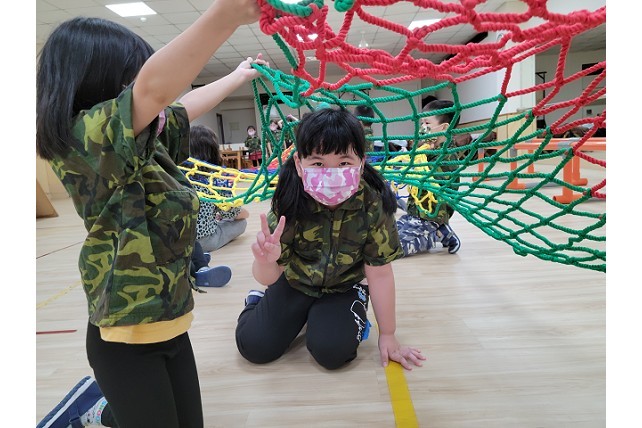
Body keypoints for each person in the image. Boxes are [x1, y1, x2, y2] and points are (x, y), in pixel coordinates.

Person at [35, 1, 264, 426]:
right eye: (130, 79)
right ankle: (99, 412)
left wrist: (238, 75)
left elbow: (183, 108)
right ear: (98, 84)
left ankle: (108, 412)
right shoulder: (85, 142)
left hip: (170, 321)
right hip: (125, 336)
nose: (139, 88)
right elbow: (154, 91)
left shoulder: (144, 144)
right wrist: (227, 14)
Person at [235, 108, 426, 371]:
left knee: (332, 352)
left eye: (344, 163)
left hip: (344, 287)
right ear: (300, 165)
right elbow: (269, 276)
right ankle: (256, 301)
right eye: (318, 163)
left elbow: (380, 273)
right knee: (254, 346)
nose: (331, 173)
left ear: (361, 163)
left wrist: (388, 334)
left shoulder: (372, 202)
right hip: (296, 282)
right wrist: (266, 261)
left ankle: (334, 313)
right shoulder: (290, 200)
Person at [396, 99, 462, 257]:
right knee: (385, 235)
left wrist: (416, 164)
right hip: (415, 214)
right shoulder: (427, 150)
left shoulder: (448, 157)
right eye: (422, 123)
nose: (423, 128)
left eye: (427, 123)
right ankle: (441, 232)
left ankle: (438, 231)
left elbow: (434, 184)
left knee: (392, 249)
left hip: (431, 217)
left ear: (443, 128)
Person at [186, 124, 250, 253]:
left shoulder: (179, 175)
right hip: (204, 241)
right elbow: (234, 213)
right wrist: (246, 213)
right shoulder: (215, 180)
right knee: (242, 223)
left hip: (179, 241)